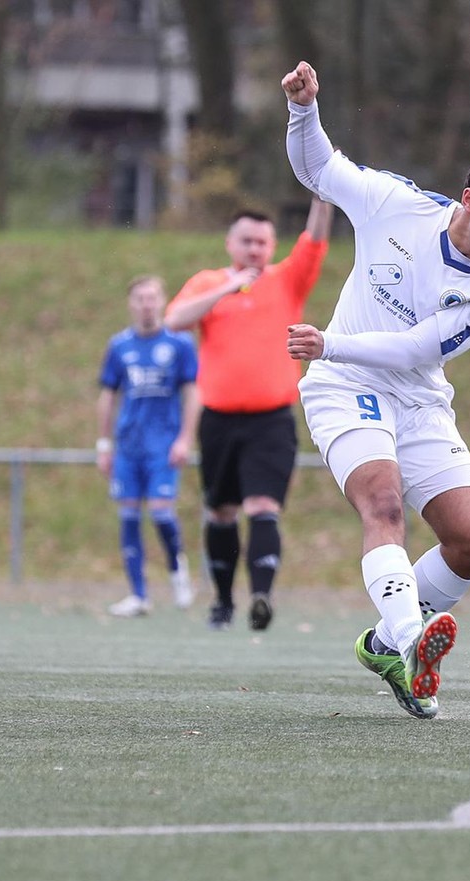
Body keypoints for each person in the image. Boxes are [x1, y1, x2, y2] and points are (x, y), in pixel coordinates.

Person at [279, 60, 470, 719]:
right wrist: (304, 111)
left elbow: (414, 349)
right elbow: (320, 171)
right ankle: (411, 639)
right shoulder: (395, 204)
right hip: (344, 385)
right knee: (382, 507)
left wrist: (330, 338)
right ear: (469, 198)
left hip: (414, 395)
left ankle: (384, 641)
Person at [165, 198, 332, 631]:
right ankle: (222, 601)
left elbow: (315, 239)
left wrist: (322, 192)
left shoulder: (286, 281)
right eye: (246, 241)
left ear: (272, 245)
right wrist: (228, 286)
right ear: (230, 243)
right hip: (218, 419)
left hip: (271, 419)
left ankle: (261, 595)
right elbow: (175, 320)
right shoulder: (208, 282)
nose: (254, 249)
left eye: (262, 242)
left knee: (262, 505)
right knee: (221, 511)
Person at [96, 275, 200, 618]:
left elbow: (193, 393)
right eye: (140, 298)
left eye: (152, 297)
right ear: (131, 304)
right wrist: (103, 443)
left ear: (162, 300)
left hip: (162, 446)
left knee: (160, 512)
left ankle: (177, 570)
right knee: (127, 516)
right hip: (128, 446)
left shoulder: (180, 344)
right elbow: (108, 395)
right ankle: (138, 595)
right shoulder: (119, 346)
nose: (146, 304)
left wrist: (185, 438)